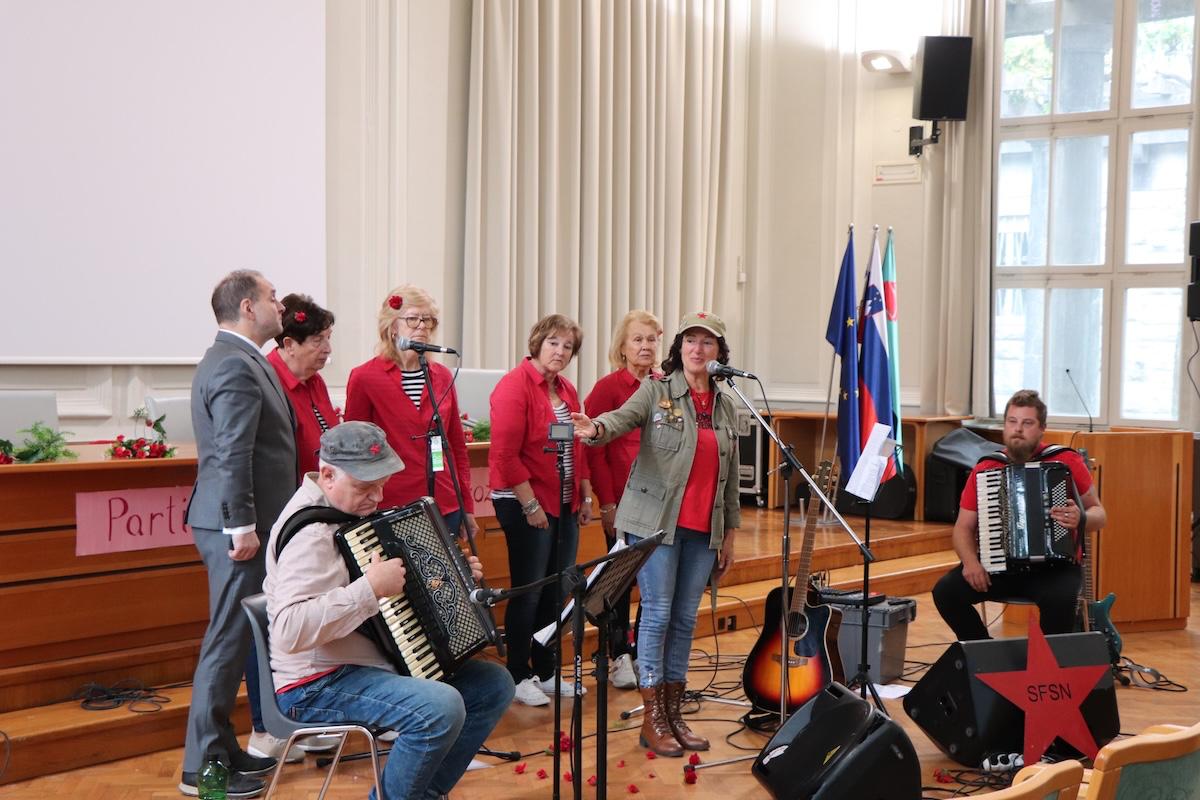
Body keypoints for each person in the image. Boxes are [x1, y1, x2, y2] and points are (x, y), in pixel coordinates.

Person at [264, 422, 514, 800]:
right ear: (327, 474)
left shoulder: (344, 513)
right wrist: (369, 590)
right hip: (316, 684)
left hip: (365, 665)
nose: (377, 497)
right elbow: (288, 630)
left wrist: (454, 578)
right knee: (440, 706)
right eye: (365, 487)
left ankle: (421, 794)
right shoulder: (310, 535)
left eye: (380, 485)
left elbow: (395, 593)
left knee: (493, 685)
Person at [572, 311, 740, 757]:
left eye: (708, 343)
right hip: (656, 526)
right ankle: (653, 719)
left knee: (685, 619)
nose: (698, 349)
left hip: (705, 531)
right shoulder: (657, 390)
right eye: (691, 341)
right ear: (680, 348)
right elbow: (619, 420)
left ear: (720, 352)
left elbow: (731, 479)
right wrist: (594, 428)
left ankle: (674, 711)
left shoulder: (726, 405)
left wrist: (730, 534)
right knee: (659, 614)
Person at [180, 270, 297, 798]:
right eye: (273, 297)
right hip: (236, 528)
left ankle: (223, 751)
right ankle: (200, 770)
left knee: (234, 639)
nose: (281, 304)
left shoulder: (241, 358)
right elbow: (231, 453)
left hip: (243, 523)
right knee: (226, 642)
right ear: (249, 307)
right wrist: (242, 526)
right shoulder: (233, 363)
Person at [932, 389, 1107, 641]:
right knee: (946, 592)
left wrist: (1081, 518)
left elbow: (1100, 513)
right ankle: (986, 655)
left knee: (1061, 600)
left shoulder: (1065, 461)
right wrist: (971, 563)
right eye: (1012, 422)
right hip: (1001, 568)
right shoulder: (986, 468)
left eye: (1027, 423)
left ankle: (1050, 671)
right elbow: (962, 527)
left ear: (1041, 428)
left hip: (1055, 568)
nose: (1018, 429)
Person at [248, 293, 339, 763]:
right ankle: (266, 724)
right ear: (287, 343)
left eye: (328, 339)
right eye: (319, 341)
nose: (327, 350)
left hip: (316, 520)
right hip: (278, 524)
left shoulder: (316, 382)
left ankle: (309, 715)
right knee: (269, 622)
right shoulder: (268, 380)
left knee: (313, 615)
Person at [488, 314, 594, 707]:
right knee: (529, 593)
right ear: (536, 343)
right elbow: (504, 455)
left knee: (557, 592)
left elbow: (577, 445)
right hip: (525, 503)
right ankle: (518, 674)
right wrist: (530, 504)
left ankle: (547, 671)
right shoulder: (513, 388)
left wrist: (583, 495)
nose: (560, 351)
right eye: (553, 343)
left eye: (567, 346)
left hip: (562, 502)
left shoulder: (566, 390)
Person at [345, 286, 476, 537]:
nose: (423, 326)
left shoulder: (441, 376)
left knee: (444, 577)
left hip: (445, 500)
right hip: (392, 501)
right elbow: (356, 450)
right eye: (413, 319)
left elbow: (456, 447)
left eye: (428, 320)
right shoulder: (365, 377)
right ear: (392, 326)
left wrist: (466, 506)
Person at [583, 310, 663, 690]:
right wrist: (607, 504)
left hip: (661, 506)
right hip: (623, 504)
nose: (645, 346)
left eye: (651, 339)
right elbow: (594, 451)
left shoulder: (666, 386)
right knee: (619, 585)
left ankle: (645, 652)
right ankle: (617, 656)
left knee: (655, 583)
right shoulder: (607, 388)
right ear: (623, 346)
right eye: (638, 339)